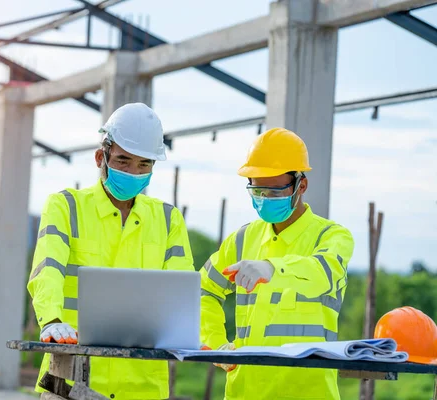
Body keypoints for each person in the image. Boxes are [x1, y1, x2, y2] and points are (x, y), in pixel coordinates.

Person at [27, 102, 194, 399]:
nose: (133, 172)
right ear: (99, 157)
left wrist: (202, 337)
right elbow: (47, 270)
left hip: (143, 386)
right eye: (123, 161)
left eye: (144, 165)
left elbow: (182, 296)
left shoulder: (169, 220)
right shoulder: (66, 207)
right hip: (72, 378)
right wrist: (51, 320)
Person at [199, 127, 355, 400]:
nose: (264, 199)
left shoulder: (331, 236)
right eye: (257, 190)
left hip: (308, 393)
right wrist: (216, 344)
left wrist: (273, 268)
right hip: (244, 392)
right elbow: (202, 290)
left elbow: (322, 274)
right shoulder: (242, 239)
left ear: (301, 185)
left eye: (273, 191)